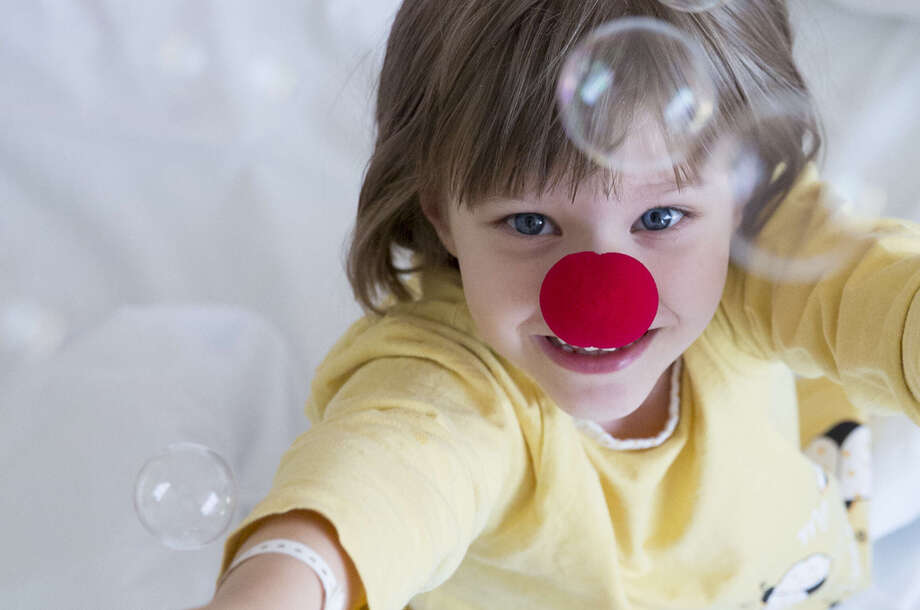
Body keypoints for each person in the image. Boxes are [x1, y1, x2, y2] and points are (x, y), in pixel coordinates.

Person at [196, 1, 920, 609]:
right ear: (442, 214)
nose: (603, 298)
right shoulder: (453, 384)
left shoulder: (757, 251)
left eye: (660, 218)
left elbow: (878, 294)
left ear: (739, 191)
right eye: (531, 224)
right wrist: (284, 579)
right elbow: (388, 473)